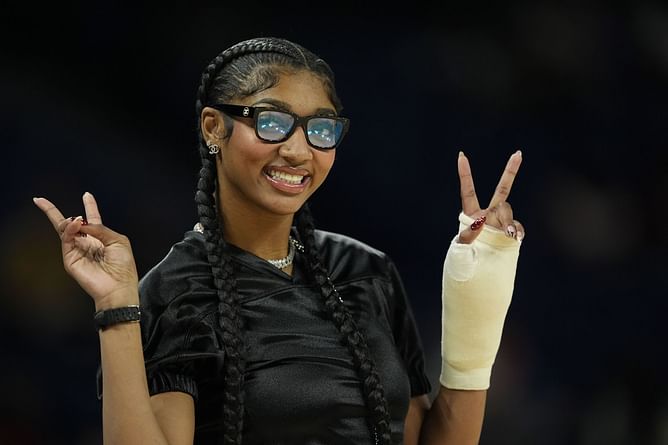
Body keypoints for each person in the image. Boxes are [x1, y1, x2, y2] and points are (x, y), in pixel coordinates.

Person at [33, 37, 524, 445]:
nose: (297, 150)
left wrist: (476, 307)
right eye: (271, 122)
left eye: (321, 129)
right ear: (213, 128)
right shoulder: (177, 291)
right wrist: (118, 307)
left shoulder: (366, 271)